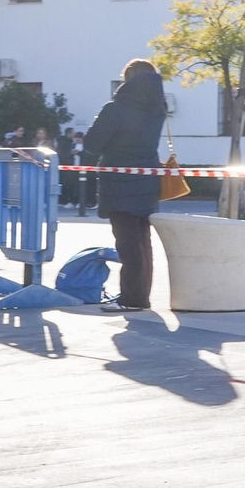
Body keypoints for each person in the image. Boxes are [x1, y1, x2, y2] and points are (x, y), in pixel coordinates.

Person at [83, 60, 167, 313]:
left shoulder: (116, 108)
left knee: (127, 243)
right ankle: (140, 296)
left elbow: (92, 143)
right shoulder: (157, 109)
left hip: (120, 182)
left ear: (129, 80)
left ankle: (132, 299)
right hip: (148, 178)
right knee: (142, 241)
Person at [56, 127, 79, 207]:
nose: (74, 134)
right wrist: (71, 153)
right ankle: (66, 200)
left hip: (66, 166)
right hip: (67, 166)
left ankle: (64, 200)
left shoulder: (65, 142)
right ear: (68, 133)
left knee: (66, 183)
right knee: (67, 184)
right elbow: (63, 154)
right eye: (72, 133)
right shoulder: (65, 143)